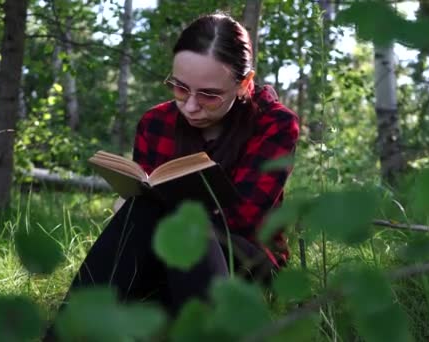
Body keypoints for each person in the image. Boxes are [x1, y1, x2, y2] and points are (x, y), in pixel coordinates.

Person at [44, 12, 299, 340]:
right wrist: (130, 204)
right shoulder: (155, 123)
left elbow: (244, 219)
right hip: (163, 254)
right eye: (180, 88)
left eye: (208, 94)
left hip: (244, 258)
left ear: (244, 84)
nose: (190, 106)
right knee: (142, 212)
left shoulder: (274, 124)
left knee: (184, 222)